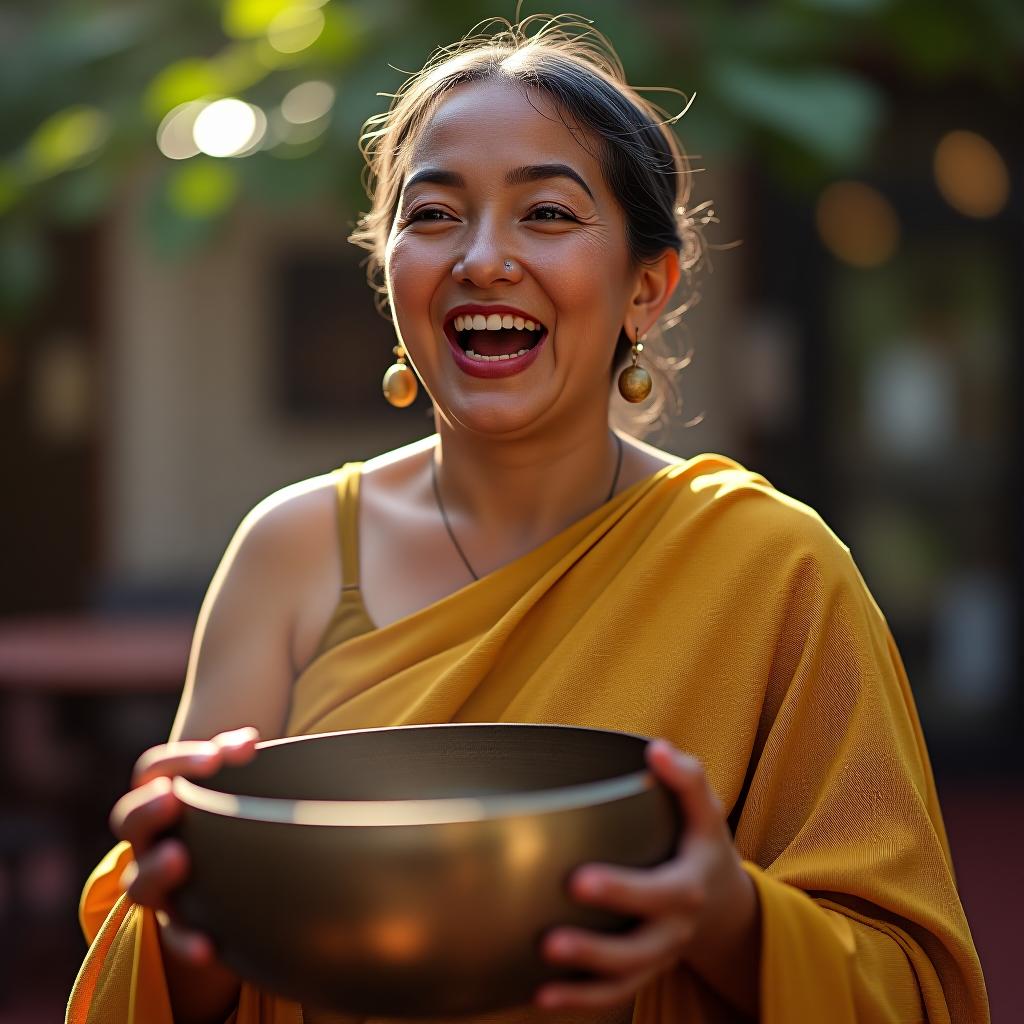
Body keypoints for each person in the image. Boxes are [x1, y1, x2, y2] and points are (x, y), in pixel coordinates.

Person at [67, 14, 988, 1024]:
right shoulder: (290, 551)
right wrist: (181, 913)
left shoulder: (775, 566)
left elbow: (909, 986)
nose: (483, 259)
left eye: (546, 214)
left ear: (647, 286)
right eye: (434, 216)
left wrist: (728, 917)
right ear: (389, 277)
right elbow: (172, 974)